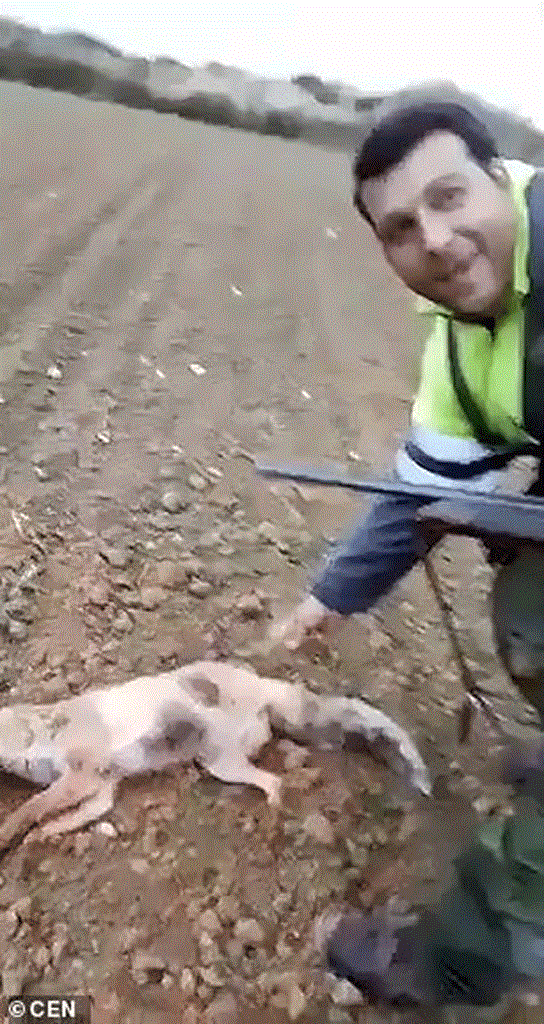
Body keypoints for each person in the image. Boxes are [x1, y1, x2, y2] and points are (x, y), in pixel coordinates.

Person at [268, 100, 544, 1010]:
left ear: (501, 180)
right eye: (400, 228)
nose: (435, 239)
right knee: (530, 594)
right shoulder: (462, 354)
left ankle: (462, 964)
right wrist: (331, 598)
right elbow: (420, 495)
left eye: (450, 196)